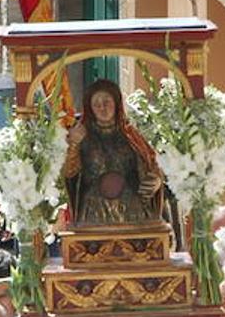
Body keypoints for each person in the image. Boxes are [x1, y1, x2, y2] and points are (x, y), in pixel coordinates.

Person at [63, 77, 163, 226]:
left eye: (106, 102)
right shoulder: (81, 136)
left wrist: (156, 179)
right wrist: (73, 145)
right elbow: (69, 173)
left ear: (116, 103)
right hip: (94, 213)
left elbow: (151, 164)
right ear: (90, 108)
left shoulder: (131, 136)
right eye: (96, 104)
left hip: (132, 211)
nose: (102, 108)